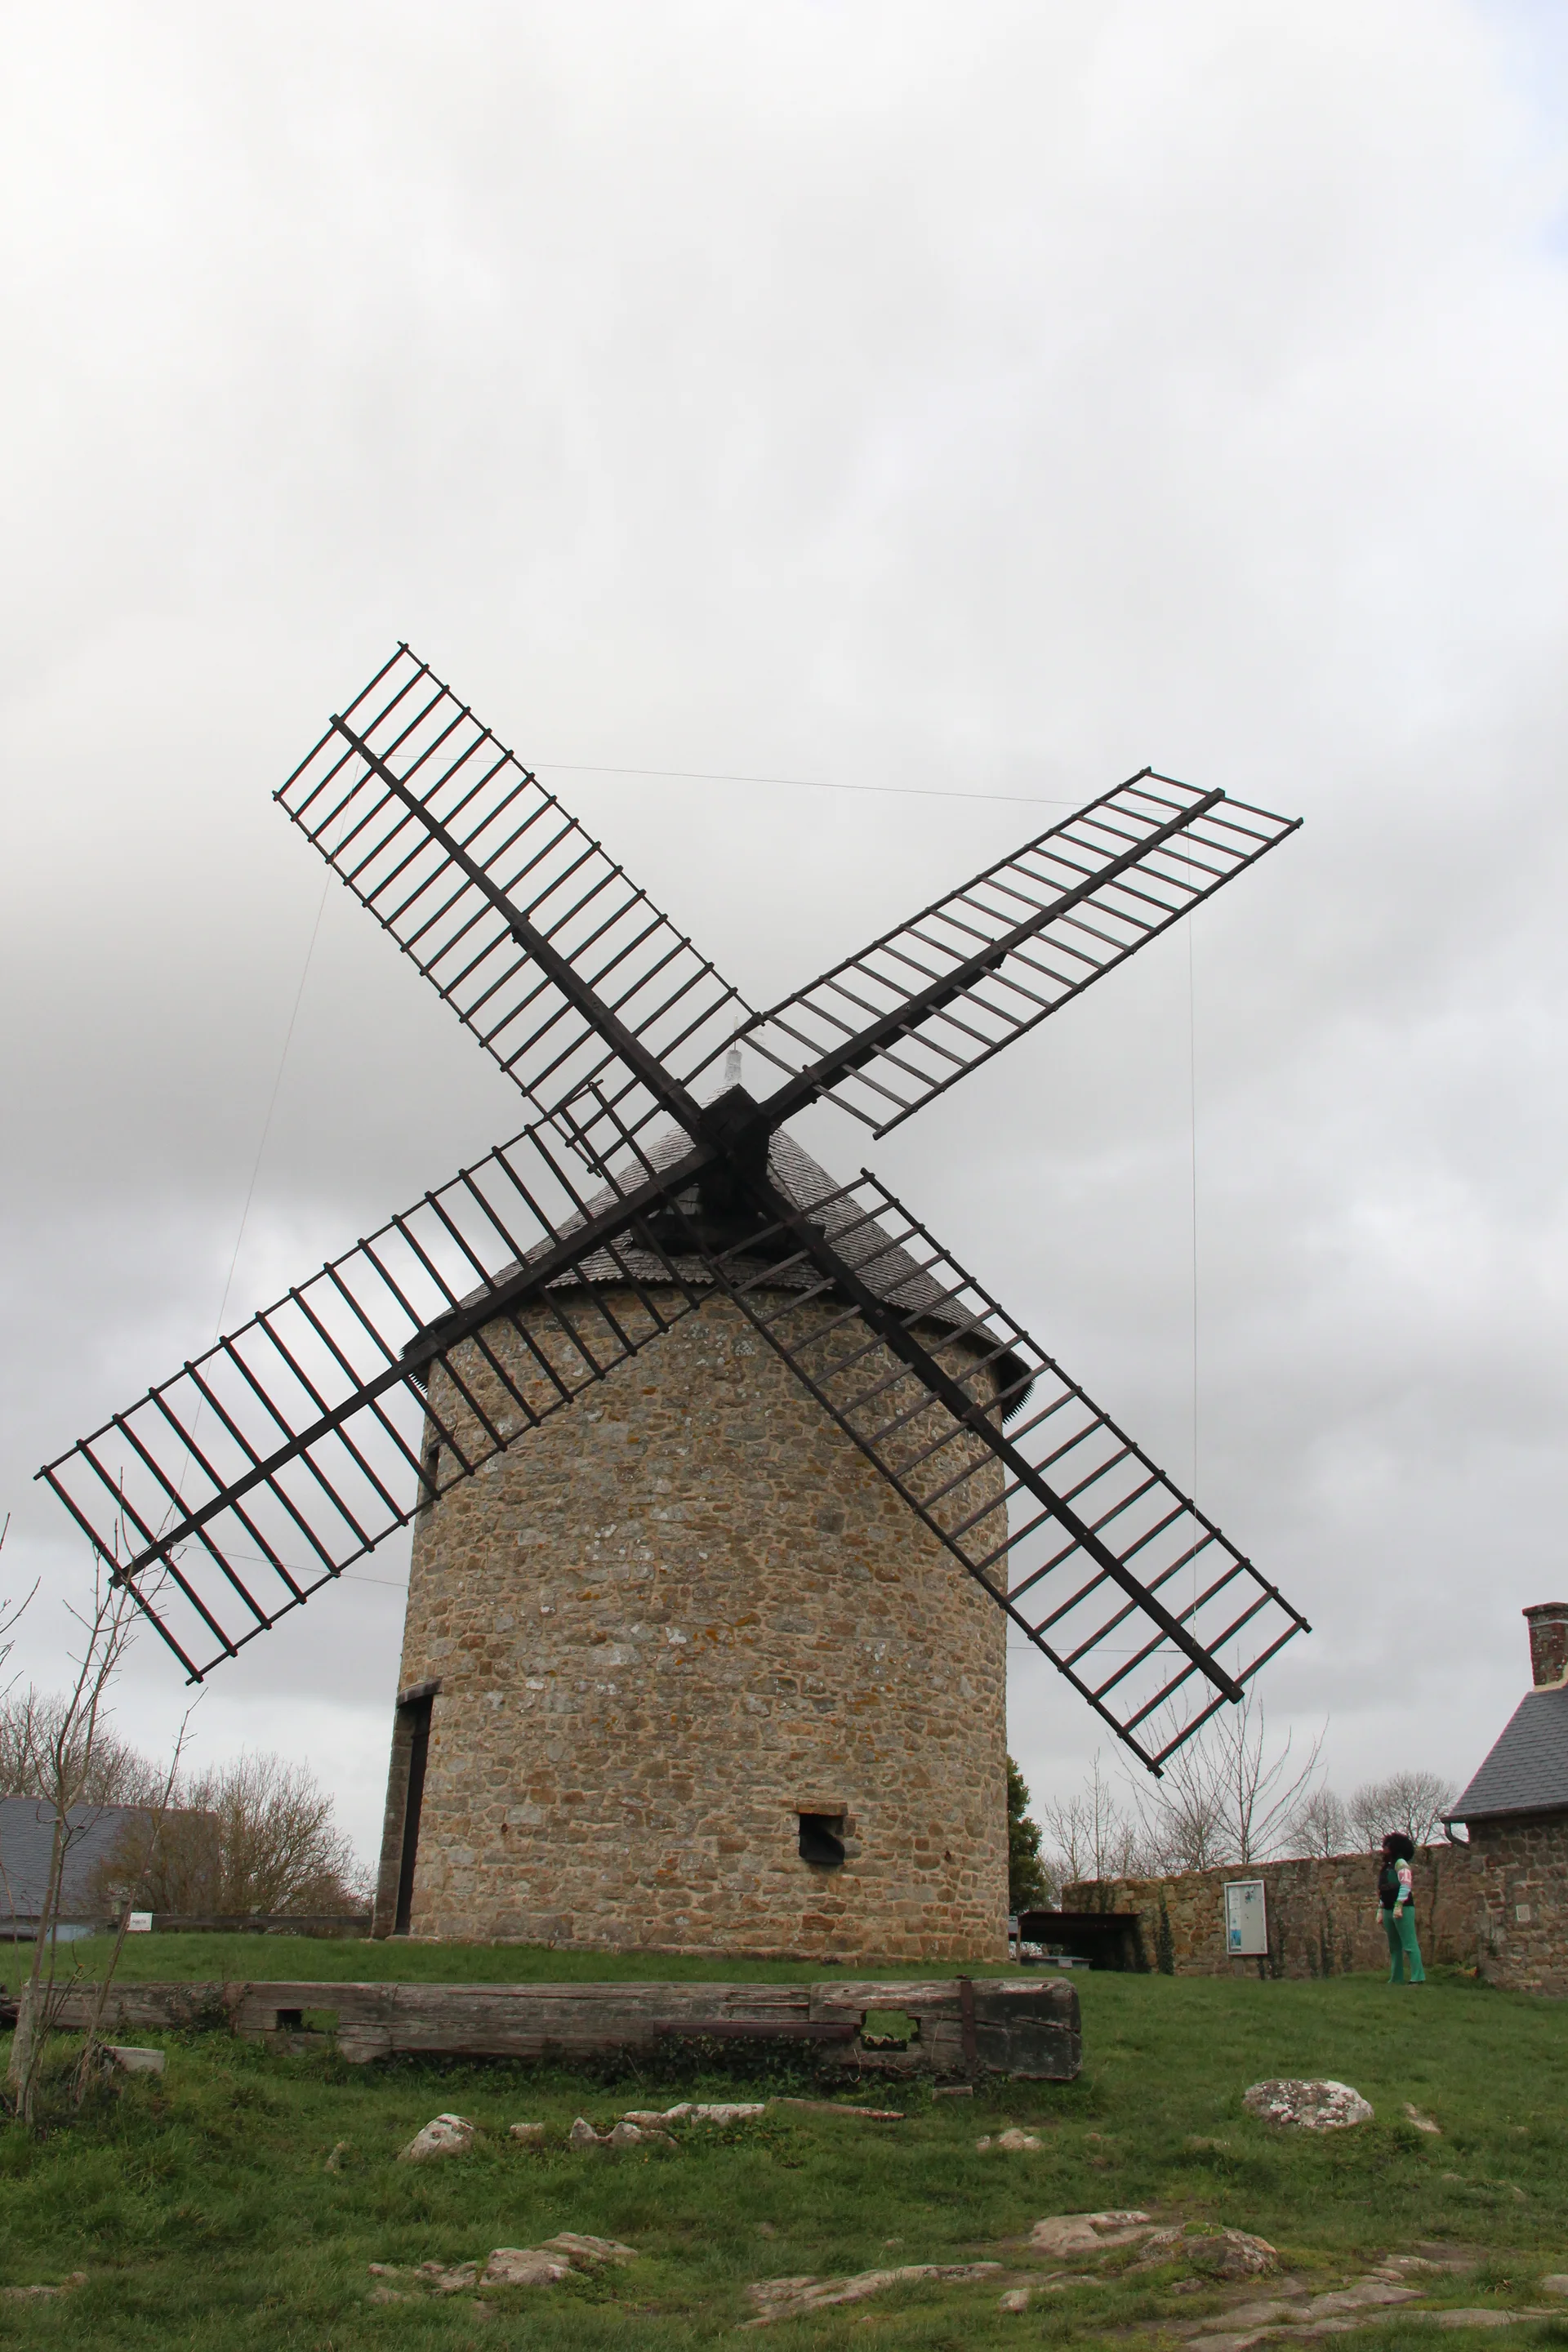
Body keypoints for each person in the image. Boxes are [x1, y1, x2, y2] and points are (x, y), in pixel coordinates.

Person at [1378, 1831, 1426, 1984]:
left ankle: (1418, 1977)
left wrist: (1399, 1905)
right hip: (1388, 1908)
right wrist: (1381, 1909)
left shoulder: (1401, 1864)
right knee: (1394, 1946)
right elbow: (1383, 1889)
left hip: (1403, 1908)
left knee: (1409, 1944)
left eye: (1387, 1846)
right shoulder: (1386, 1868)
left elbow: (1406, 1885)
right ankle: (1396, 1977)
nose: (1383, 1850)